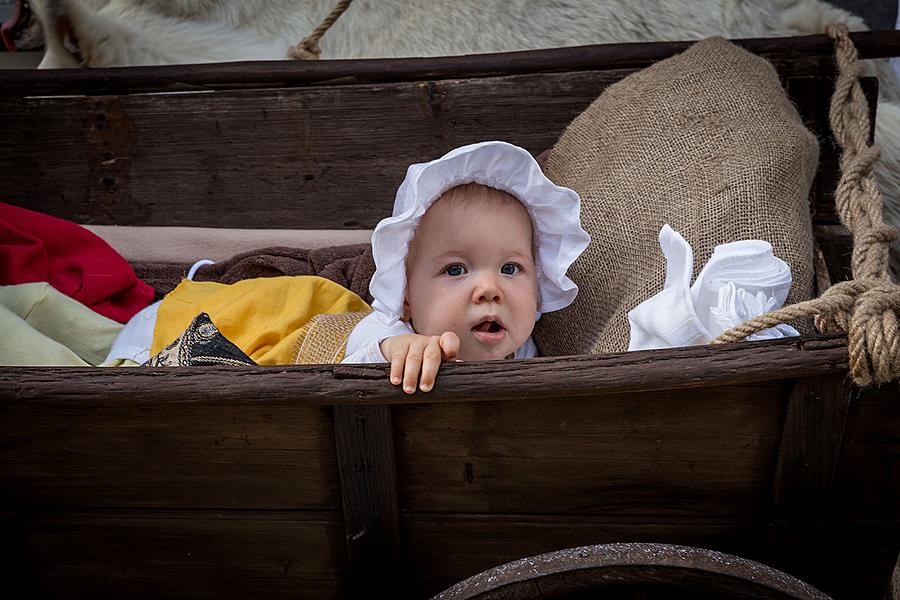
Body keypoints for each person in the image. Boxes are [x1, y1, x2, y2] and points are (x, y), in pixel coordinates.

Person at [342, 141, 590, 393]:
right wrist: (398, 352)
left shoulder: (523, 351)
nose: (490, 289)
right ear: (406, 296)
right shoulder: (387, 333)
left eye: (510, 268)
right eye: (455, 270)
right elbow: (348, 374)